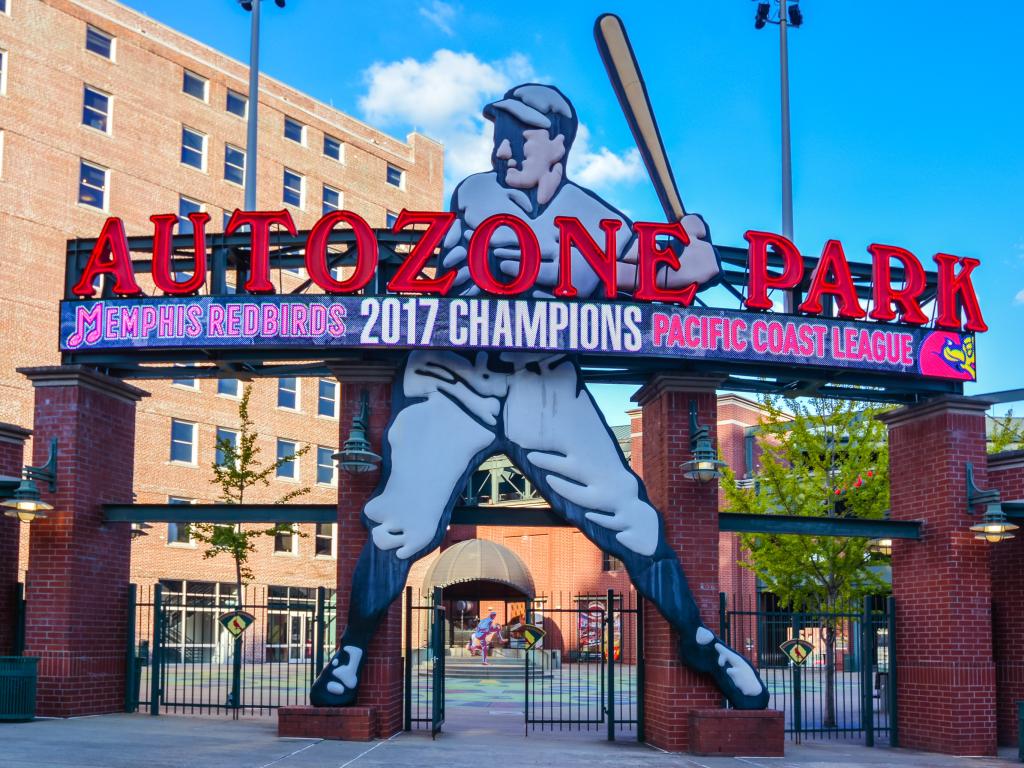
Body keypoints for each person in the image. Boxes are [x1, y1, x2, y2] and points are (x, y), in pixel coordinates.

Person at [311, 84, 770, 710]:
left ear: (560, 143)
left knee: (631, 517)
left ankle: (698, 642)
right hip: (456, 371)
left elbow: (645, 275)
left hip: (544, 378)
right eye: (499, 131)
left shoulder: (597, 215)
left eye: (520, 133)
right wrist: (649, 270)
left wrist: (688, 268)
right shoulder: (477, 193)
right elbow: (497, 263)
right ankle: (355, 649)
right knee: (402, 518)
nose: (503, 147)